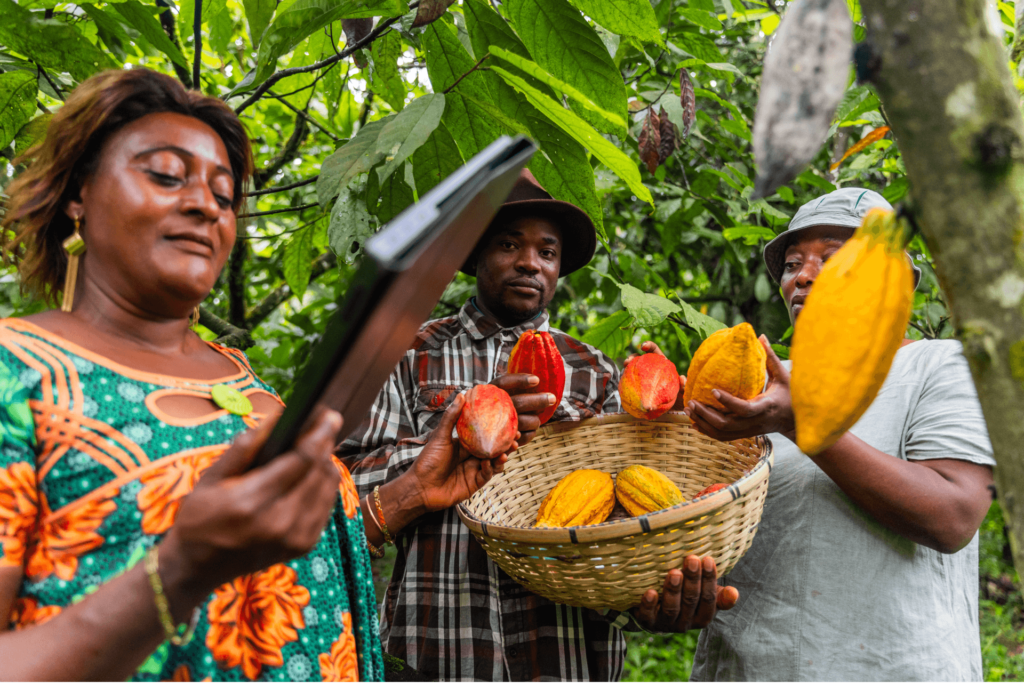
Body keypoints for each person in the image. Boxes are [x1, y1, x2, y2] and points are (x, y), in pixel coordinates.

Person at [0, 68, 502, 681]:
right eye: (165, 174)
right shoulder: (14, 374)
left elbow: (293, 566)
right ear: (79, 194)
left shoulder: (241, 380)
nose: (202, 205)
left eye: (222, 194)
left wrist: (406, 498)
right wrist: (180, 569)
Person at [337, 169, 733, 681]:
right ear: (475, 254)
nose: (530, 262)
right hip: (436, 648)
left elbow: (627, 508)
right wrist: (463, 435)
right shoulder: (410, 355)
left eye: (547, 252)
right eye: (508, 244)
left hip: (565, 653)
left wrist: (643, 600)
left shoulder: (594, 371)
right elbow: (343, 489)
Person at [683, 188, 996, 681]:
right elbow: (696, 525)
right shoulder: (757, 388)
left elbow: (953, 515)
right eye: (792, 264)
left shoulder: (941, 366)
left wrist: (801, 423)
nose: (803, 276)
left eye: (833, 259)